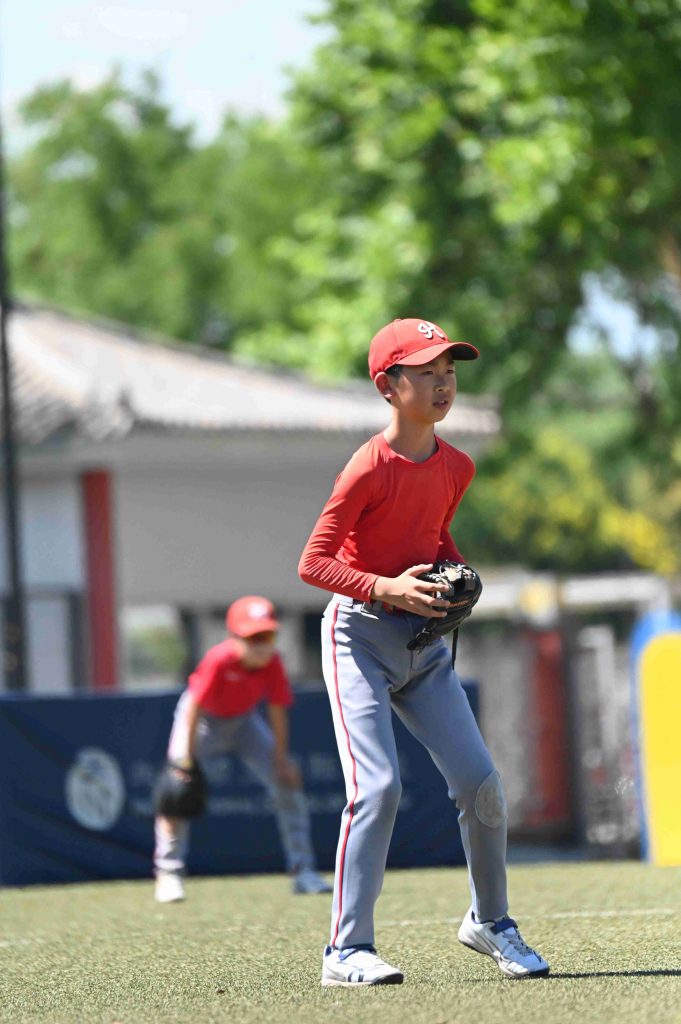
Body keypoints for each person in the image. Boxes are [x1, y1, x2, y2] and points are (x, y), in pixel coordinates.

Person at [298, 318, 549, 986]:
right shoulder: (367, 467)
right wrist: (386, 587)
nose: (443, 383)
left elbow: (434, 539)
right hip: (358, 636)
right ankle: (345, 950)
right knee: (377, 788)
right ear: (388, 386)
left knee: (481, 785)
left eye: (449, 371)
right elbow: (313, 563)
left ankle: (490, 921)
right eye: (426, 372)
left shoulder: (456, 466)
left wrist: (457, 574)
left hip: (424, 641)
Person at [153, 595, 332, 903]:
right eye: (253, 638)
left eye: (267, 637)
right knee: (176, 792)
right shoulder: (219, 659)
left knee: (288, 783)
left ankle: (303, 872)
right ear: (233, 637)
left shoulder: (273, 662)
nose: (262, 646)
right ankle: (168, 873)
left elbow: (277, 710)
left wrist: (281, 759)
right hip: (203, 721)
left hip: (244, 721)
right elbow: (194, 706)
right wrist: (184, 760)